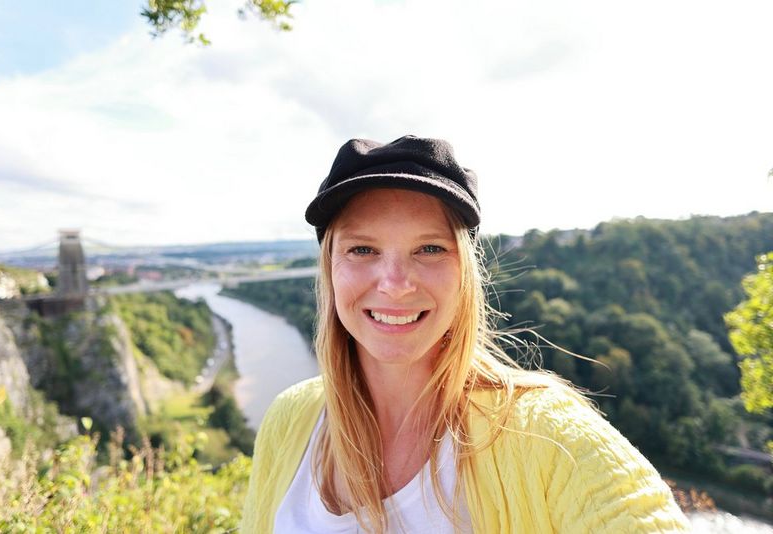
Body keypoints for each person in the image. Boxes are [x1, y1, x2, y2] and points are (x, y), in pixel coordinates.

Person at [241, 136, 690, 533]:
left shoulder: (548, 437)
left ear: (465, 274)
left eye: (430, 248)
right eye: (363, 249)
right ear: (330, 268)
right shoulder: (291, 419)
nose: (395, 282)